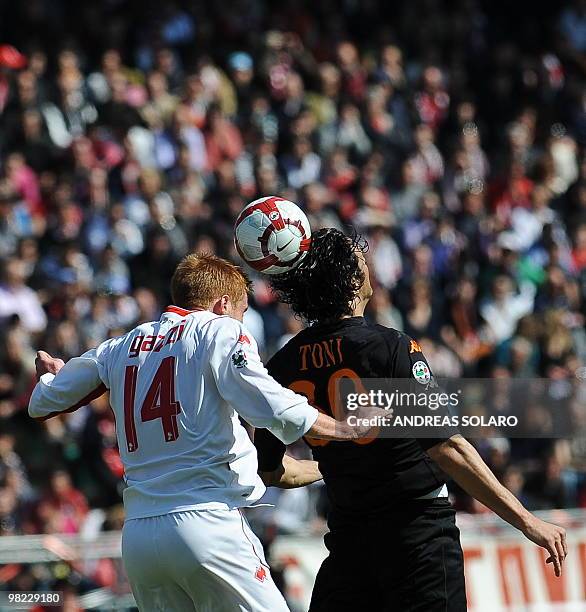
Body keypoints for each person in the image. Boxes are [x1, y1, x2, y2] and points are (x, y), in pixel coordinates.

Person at [28, 252, 370, 612]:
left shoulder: (119, 346)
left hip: (141, 536)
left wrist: (52, 375)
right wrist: (345, 428)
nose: (242, 320)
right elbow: (272, 405)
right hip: (206, 521)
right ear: (222, 304)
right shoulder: (219, 329)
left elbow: (43, 402)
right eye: (242, 310)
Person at [255, 228, 568, 612]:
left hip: (349, 547)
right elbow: (447, 446)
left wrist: (327, 467)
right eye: (360, 261)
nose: (368, 267)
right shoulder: (389, 347)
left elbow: (270, 471)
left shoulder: (283, 364)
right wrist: (525, 521)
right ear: (351, 278)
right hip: (417, 538)